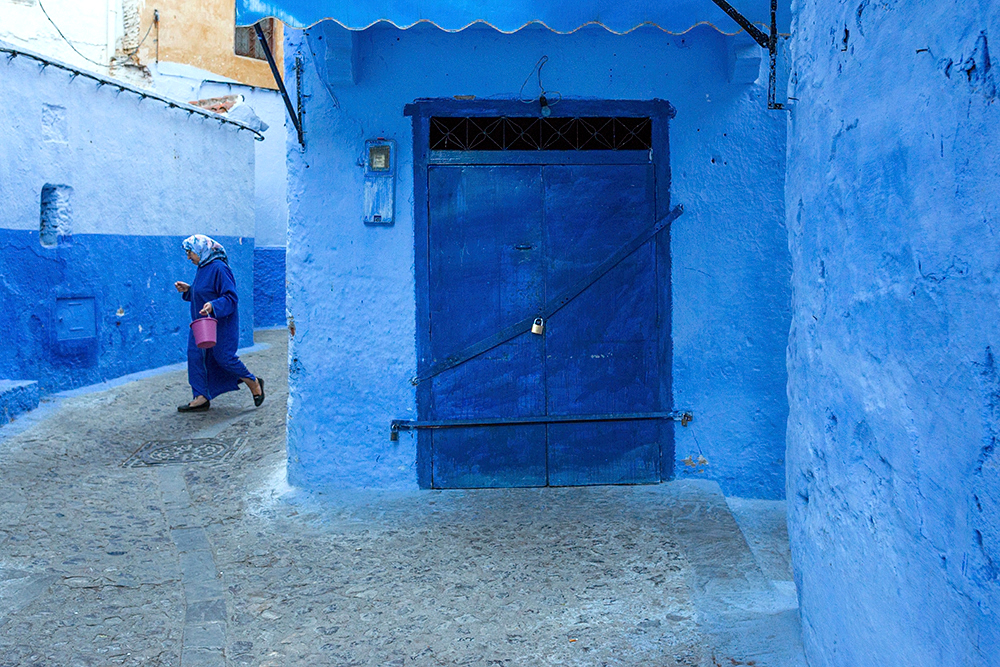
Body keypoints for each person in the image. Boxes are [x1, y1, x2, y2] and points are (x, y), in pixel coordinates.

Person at [174, 234, 264, 412]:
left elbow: (231, 297)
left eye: (190, 252)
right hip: (202, 324)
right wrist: (189, 290)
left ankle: (252, 381)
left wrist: (214, 306)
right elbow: (205, 293)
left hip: (221, 324)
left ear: (201, 250)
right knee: (196, 356)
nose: (188, 257)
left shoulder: (219, 268)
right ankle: (200, 396)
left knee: (223, 357)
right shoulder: (203, 267)